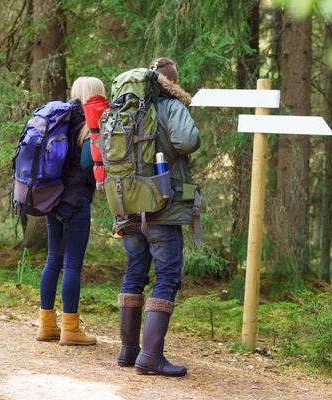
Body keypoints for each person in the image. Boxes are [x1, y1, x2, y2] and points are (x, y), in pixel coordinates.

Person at [115, 58, 201, 376]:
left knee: (134, 274)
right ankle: (150, 356)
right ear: (172, 82)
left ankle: (128, 351)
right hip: (162, 205)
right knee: (167, 277)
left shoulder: (125, 110)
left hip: (127, 205)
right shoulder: (169, 106)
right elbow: (188, 141)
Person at [36, 77, 106, 346]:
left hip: (51, 199)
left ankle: (47, 325)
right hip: (76, 203)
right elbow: (89, 163)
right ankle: (71, 329)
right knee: (72, 265)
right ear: (96, 95)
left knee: (53, 259)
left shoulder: (59, 119)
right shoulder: (90, 123)